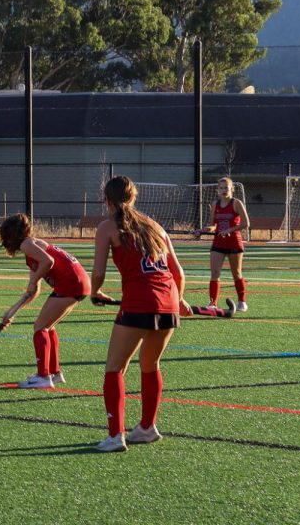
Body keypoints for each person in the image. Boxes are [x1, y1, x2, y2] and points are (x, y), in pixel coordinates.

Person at [90, 176, 192, 452]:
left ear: (107, 201)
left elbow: (98, 271)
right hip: (168, 301)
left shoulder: (108, 227)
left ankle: (115, 436)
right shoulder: (155, 226)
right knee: (150, 365)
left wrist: (95, 292)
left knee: (114, 369)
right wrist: (179, 300)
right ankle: (147, 427)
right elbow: (178, 272)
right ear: (134, 198)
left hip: (139, 302)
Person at [0, 212, 90, 388]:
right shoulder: (31, 248)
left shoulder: (26, 244)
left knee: (40, 326)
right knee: (48, 326)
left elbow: (48, 261)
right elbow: (34, 291)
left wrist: (33, 281)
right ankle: (54, 374)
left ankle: (43, 377)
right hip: (80, 281)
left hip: (71, 282)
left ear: (10, 236)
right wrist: (12, 312)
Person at [194, 177, 251, 311]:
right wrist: (202, 231)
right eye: (221, 188)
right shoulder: (215, 204)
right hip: (218, 243)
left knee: (236, 273)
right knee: (215, 274)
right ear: (217, 190)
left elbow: (245, 223)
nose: (224, 190)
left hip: (234, 243)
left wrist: (229, 230)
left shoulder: (236, 203)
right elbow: (212, 225)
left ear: (232, 189)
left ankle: (242, 301)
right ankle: (213, 303)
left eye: (226, 187)